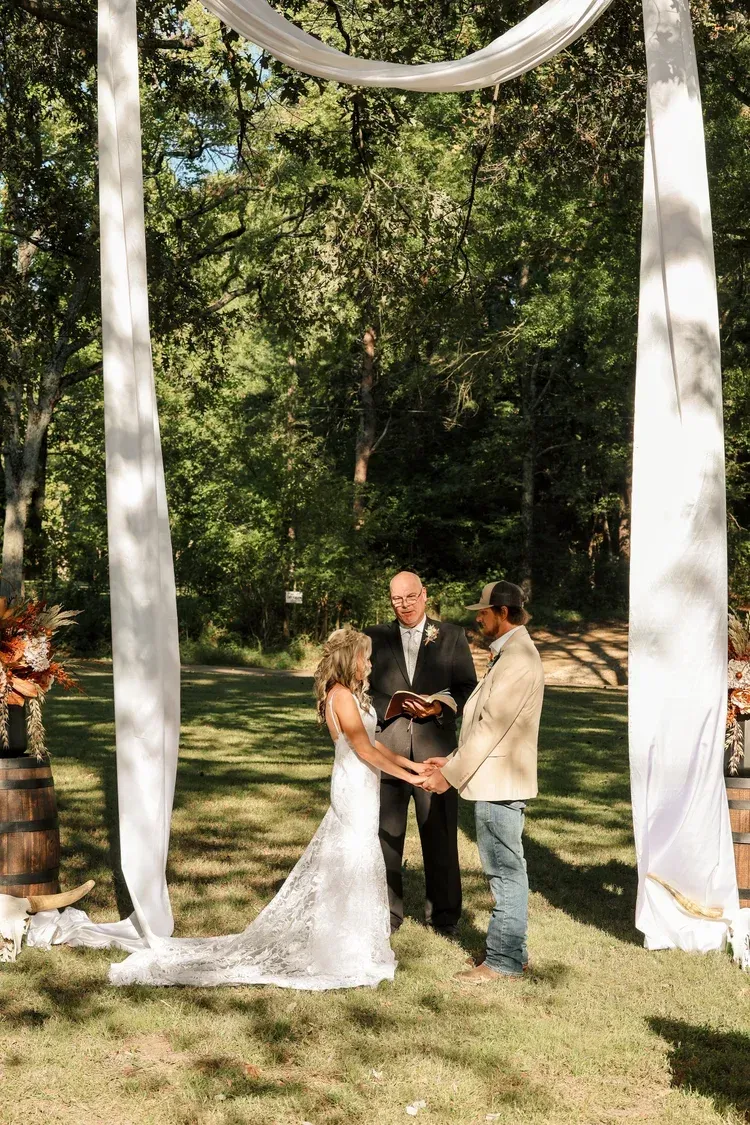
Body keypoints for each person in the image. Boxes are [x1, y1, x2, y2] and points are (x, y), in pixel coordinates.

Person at [108, 627, 429, 989]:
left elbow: (374, 743)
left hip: (364, 783)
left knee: (357, 855)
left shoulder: (351, 696)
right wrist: (412, 778)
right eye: (364, 658)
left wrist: (414, 768)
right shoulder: (339, 696)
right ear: (348, 659)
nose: (369, 664)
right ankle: (339, 949)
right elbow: (363, 749)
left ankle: (351, 943)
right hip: (353, 785)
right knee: (352, 855)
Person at [419, 580, 544, 982]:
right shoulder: (509, 655)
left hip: (499, 784)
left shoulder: (519, 659)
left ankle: (503, 962)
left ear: (503, 613)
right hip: (494, 777)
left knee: (504, 873)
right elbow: (486, 726)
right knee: (506, 870)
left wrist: (448, 777)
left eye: (484, 612)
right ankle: (513, 954)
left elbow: (492, 728)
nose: (478, 618)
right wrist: (453, 757)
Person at [366, 571, 477, 937]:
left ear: (425, 595)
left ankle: (444, 917)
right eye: (398, 599)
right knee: (386, 835)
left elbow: (466, 689)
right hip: (389, 751)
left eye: (411, 597)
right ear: (390, 600)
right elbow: (361, 689)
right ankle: (387, 914)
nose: (406, 605)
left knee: (441, 835)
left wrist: (439, 707)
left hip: (436, 756)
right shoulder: (374, 637)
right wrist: (393, 706)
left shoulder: (452, 635)